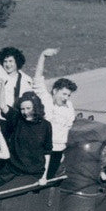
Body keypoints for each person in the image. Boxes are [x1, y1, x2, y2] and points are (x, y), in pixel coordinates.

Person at [0, 92, 54, 191]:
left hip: (35, 172)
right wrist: (2, 83)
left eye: (29, 108)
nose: (25, 112)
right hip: (13, 168)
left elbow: (47, 152)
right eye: (22, 109)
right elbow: (2, 105)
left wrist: (44, 176)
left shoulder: (46, 125)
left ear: (36, 107)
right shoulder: (17, 118)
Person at [33, 48, 77, 178]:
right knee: (37, 177)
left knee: (49, 177)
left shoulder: (69, 106)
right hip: (43, 149)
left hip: (58, 150)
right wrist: (42, 57)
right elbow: (38, 79)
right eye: (64, 94)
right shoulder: (45, 99)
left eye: (68, 95)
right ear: (55, 91)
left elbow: (68, 127)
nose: (66, 98)